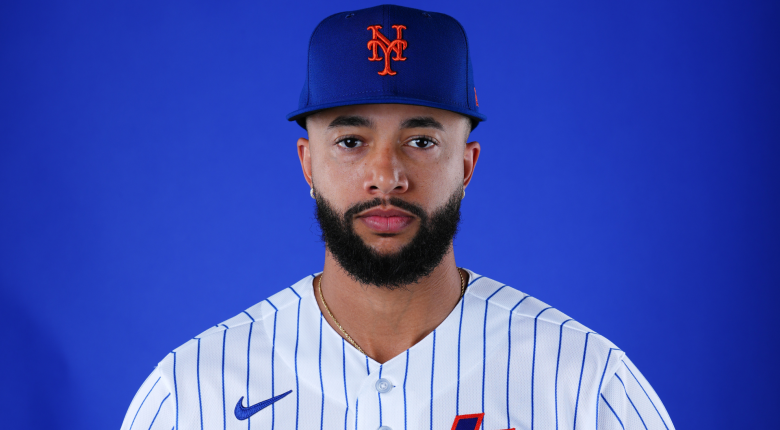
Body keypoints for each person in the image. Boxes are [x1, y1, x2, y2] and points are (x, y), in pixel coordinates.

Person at [120, 5, 674, 430]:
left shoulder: (584, 382)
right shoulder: (192, 391)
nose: (386, 176)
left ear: (466, 163)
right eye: (352, 140)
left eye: (421, 139)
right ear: (307, 162)